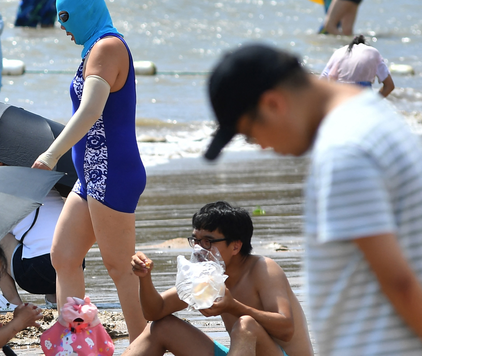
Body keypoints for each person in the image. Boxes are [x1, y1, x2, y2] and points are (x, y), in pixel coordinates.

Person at [204, 44, 422, 355]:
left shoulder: (343, 151)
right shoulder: (368, 114)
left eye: (251, 135)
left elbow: (399, 282)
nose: (262, 147)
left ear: (273, 104)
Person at [32, 0, 147, 341]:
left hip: (112, 173)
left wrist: (51, 154)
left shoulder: (107, 48)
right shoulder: (94, 48)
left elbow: (90, 112)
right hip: (91, 176)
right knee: (63, 255)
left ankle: (147, 343)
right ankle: (77, 339)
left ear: (83, 11)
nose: (61, 26)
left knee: (120, 269)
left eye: (65, 17)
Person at [124, 201, 314, 356]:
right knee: (162, 327)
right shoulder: (207, 273)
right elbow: (155, 311)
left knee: (246, 324)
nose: (199, 249)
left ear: (235, 247)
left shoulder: (263, 268)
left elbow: (286, 329)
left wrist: (235, 307)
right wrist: (145, 278)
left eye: (208, 241)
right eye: (196, 241)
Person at [0, 159, 64, 312]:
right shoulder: (48, 183)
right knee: (40, 237)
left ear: (0, 164)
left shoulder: (0, 189)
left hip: (34, 274)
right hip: (69, 272)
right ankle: (55, 297)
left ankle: (11, 301)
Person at [320, 34, 395, 97]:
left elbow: (322, 80)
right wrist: (374, 102)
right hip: (362, 92)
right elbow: (389, 86)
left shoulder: (339, 52)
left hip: (340, 92)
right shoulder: (373, 53)